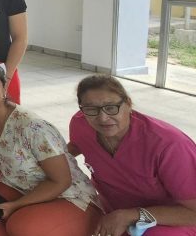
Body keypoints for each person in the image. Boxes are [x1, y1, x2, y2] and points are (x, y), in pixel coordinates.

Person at [0, 61, 100, 236]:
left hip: (68, 196)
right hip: (19, 186)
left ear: (5, 87)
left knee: (21, 227)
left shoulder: (32, 127)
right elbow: (5, 158)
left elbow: (61, 181)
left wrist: (17, 205)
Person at [68, 75, 196, 236]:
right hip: (111, 209)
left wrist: (131, 215)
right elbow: (73, 147)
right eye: (91, 109)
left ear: (128, 104)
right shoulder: (81, 124)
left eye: (111, 107)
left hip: (169, 219)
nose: (103, 118)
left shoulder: (169, 145)